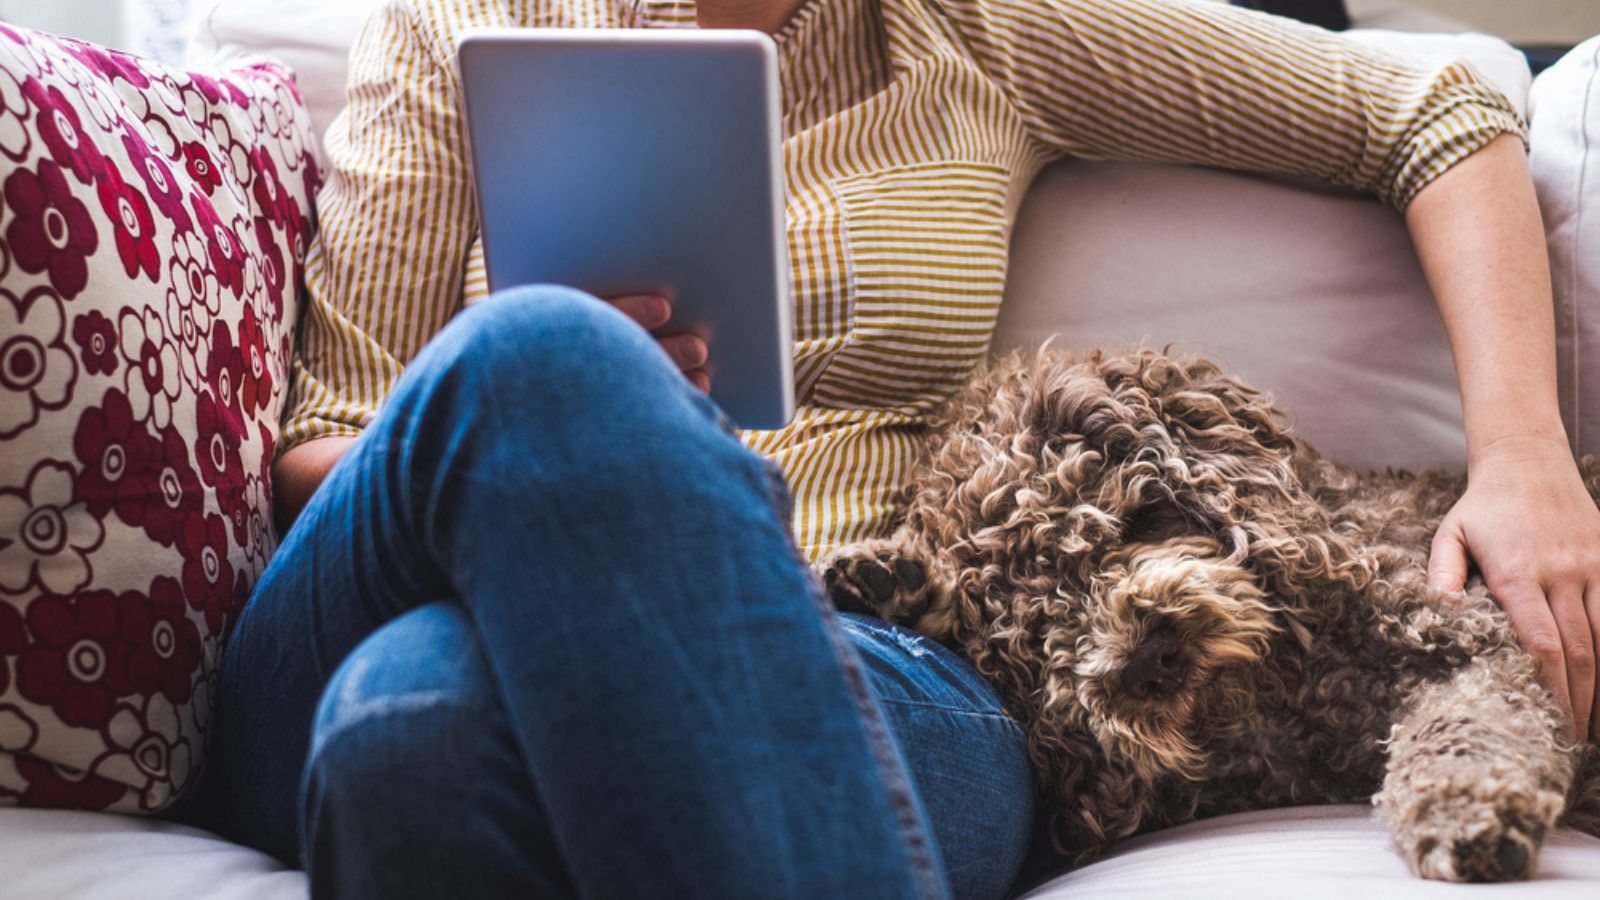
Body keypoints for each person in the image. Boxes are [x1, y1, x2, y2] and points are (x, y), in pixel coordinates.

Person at [181, 0, 1600, 897]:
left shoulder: (971, 27)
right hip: (439, 578)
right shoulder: (454, 26)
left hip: (857, 648)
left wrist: (1525, 452)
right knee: (539, 358)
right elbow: (327, 441)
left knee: (409, 743)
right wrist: (583, 406)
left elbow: (1431, 110)